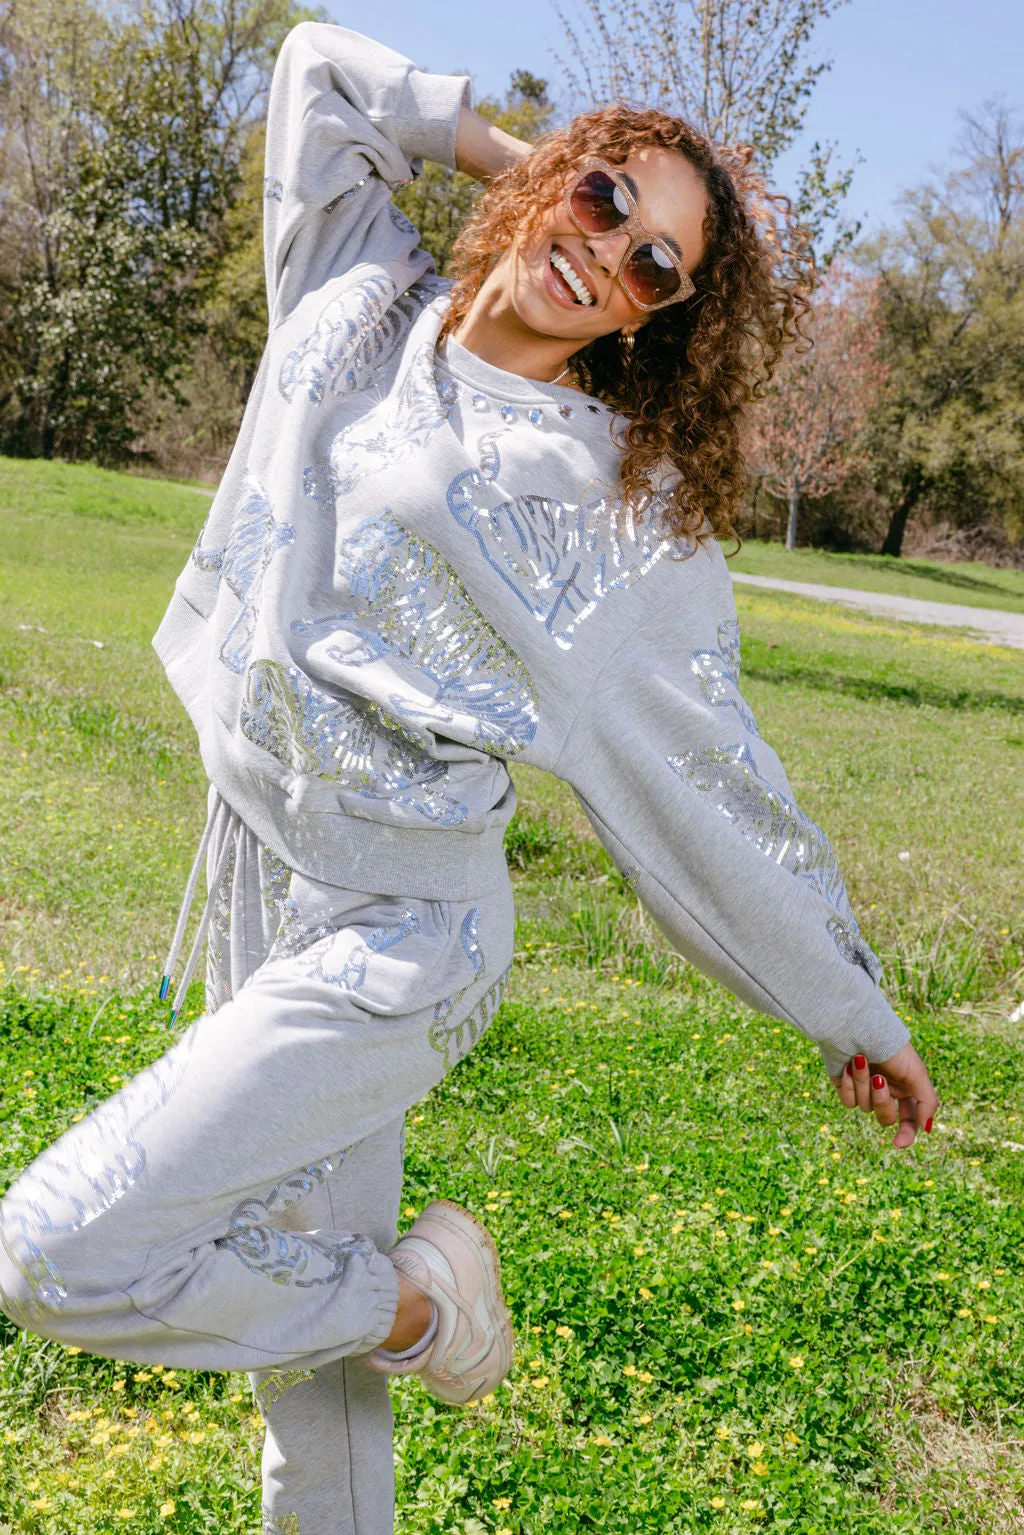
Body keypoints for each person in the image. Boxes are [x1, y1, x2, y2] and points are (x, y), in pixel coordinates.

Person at [0, 18, 939, 1535]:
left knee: (52, 1248)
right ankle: (396, 1325)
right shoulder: (360, 286)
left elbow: (711, 785)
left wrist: (848, 1004)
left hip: (397, 936)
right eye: (609, 199)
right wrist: (516, 155)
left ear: (656, 324)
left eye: (659, 269)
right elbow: (313, 71)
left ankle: (424, 1306)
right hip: (263, 863)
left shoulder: (604, 508)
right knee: (308, 1409)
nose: (614, 252)